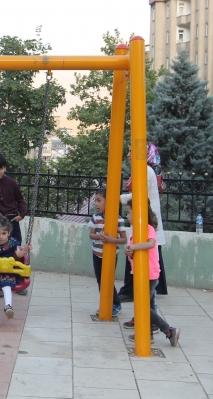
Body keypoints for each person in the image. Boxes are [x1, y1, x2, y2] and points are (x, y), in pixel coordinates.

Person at [123, 199, 180, 346]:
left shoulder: (148, 228)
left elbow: (151, 243)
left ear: (138, 213)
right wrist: (129, 251)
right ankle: (147, 335)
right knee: (144, 306)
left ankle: (168, 330)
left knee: (142, 306)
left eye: (128, 212)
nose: (127, 216)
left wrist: (133, 247)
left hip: (149, 274)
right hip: (140, 273)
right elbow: (132, 249)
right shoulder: (136, 230)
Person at [118, 143, 168, 302]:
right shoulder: (145, 170)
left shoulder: (145, 170)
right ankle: (153, 288)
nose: (128, 155)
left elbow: (140, 197)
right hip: (146, 218)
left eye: (131, 151)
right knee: (152, 255)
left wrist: (116, 197)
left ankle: (129, 290)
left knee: (136, 250)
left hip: (145, 219)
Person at [0, 153, 30, 297]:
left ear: (5, 168)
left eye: (1, 168)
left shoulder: (11, 183)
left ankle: (18, 281)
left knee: (16, 251)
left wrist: (22, 213)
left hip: (12, 220)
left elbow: (20, 199)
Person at [88, 188, 127, 316]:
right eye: (96, 201)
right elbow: (91, 235)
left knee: (108, 280)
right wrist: (99, 236)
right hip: (97, 254)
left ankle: (116, 304)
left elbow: (123, 239)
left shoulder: (118, 219)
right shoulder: (96, 217)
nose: (96, 204)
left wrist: (111, 240)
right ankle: (105, 304)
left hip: (110, 255)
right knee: (100, 280)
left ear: (108, 201)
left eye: (99, 201)